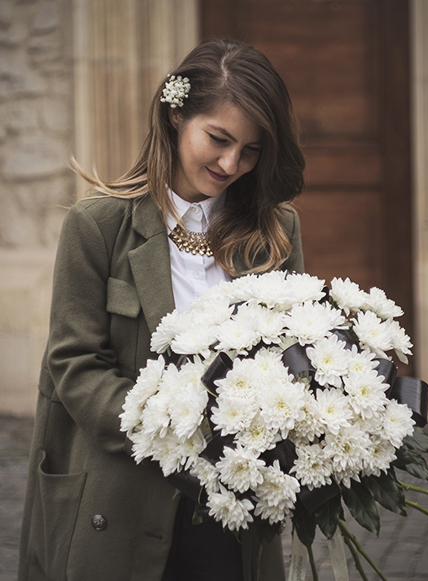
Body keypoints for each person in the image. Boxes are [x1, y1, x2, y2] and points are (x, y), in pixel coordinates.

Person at [18, 38, 305, 581]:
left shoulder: (276, 231)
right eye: (218, 139)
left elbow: (295, 359)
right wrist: (177, 430)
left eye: (250, 151)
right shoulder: (97, 226)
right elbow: (75, 365)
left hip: (232, 515)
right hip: (117, 505)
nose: (230, 163)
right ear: (176, 114)